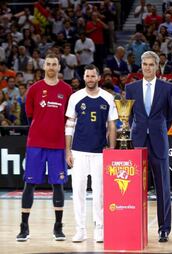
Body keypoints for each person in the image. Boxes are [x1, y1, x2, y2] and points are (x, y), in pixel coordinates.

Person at [16, 54, 72, 242]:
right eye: (48, 64)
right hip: (36, 144)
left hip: (57, 145)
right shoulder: (34, 89)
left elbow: (68, 118)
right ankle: (24, 228)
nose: (51, 67)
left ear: (59, 67)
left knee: (58, 184)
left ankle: (58, 227)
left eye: (54, 64)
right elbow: (30, 113)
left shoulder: (67, 90)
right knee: (29, 184)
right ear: (43, 66)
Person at [125, 51, 172, 242]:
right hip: (138, 141)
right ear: (141, 66)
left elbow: (171, 116)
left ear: (157, 67)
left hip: (159, 141)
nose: (147, 67)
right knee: (135, 187)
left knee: (163, 186)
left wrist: (157, 128)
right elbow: (129, 116)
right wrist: (138, 129)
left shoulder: (167, 88)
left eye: (151, 65)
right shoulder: (131, 88)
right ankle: (135, 225)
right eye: (144, 64)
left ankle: (164, 228)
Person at [65, 65, 118, 243]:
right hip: (78, 152)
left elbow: (112, 125)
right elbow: (69, 125)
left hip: (100, 152)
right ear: (84, 77)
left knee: (100, 193)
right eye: (87, 76)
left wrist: (111, 149)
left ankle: (100, 229)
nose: (89, 79)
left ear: (99, 77)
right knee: (78, 192)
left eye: (93, 76)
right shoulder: (75, 97)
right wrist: (68, 150)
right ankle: (80, 230)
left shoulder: (108, 98)